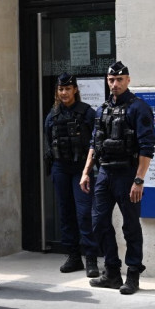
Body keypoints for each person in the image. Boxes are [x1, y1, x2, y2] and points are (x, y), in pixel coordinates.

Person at [80, 61, 155, 295]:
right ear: (107, 81)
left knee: (131, 226)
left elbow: (146, 147)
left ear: (128, 80)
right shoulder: (102, 109)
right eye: (111, 80)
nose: (115, 84)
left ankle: (132, 275)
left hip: (127, 175)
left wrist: (139, 180)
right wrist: (86, 171)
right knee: (99, 222)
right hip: (104, 173)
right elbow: (95, 143)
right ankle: (112, 272)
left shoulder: (138, 108)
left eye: (120, 79)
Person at [44, 73, 99, 277]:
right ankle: (73, 256)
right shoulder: (53, 115)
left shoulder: (87, 113)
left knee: (84, 213)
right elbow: (48, 139)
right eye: (61, 89)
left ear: (75, 89)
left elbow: (96, 143)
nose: (64, 93)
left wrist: (89, 169)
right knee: (65, 213)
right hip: (60, 167)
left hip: (81, 168)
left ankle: (91, 257)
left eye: (68, 89)